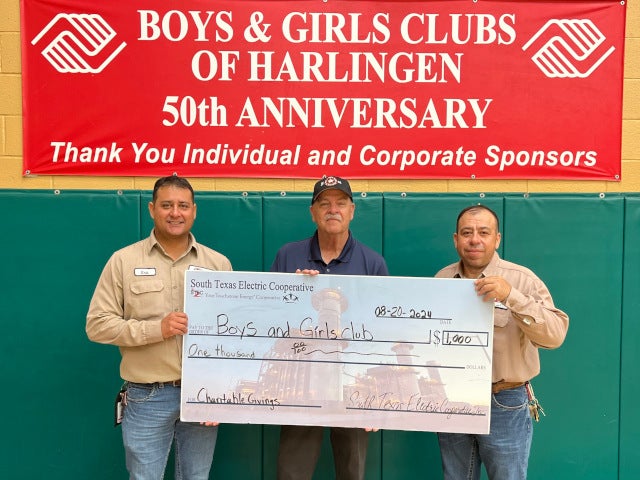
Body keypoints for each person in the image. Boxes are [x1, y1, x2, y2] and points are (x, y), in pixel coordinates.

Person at [86, 175, 232, 480]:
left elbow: (231, 338)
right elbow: (97, 325)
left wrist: (221, 395)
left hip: (202, 394)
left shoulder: (218, 264)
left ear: (194, 210)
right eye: (166, 205)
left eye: (182, 205)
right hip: (147, 395)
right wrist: (157, 329)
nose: (174, 212)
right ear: (152, 209)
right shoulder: (123, 261)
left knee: (196, 477)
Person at [435, 204, 569, 480]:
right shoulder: (442, 279)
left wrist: (512, 296)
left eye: (484, 232)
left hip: (504, 401)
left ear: (497, 239)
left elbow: (555, 335)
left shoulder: (522, 280)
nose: (475, 239)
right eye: (467, 232)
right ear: (456, 239)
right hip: (452, 401)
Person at [270, 175, 389, 480]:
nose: (332, 210)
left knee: (353, 469)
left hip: (351, 382)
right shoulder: (288, 255)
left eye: (340, 203)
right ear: (313, 212)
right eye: (324, 203)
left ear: (352, 210)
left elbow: (379, 330)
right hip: (300, 379)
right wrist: (297, 295)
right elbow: (271, 318)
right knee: (291, 471)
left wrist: (375, 400)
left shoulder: (373, 262)